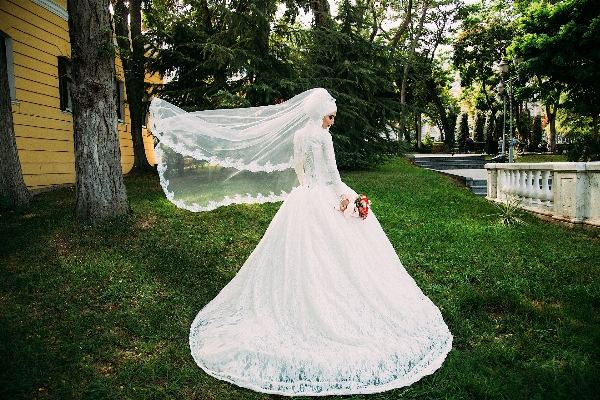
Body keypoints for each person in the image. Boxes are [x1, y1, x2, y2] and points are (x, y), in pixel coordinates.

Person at [150, 88, 452, 396]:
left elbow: (298, 166)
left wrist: (307, 187)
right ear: (321, 114)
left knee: (299, 249)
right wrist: (346, 199)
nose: (332, 122)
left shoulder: (299, 135)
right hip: (325, 195)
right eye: (331, 116)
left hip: (305, 195)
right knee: (340, 253)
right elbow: (333, 174)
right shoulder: (322, 136)